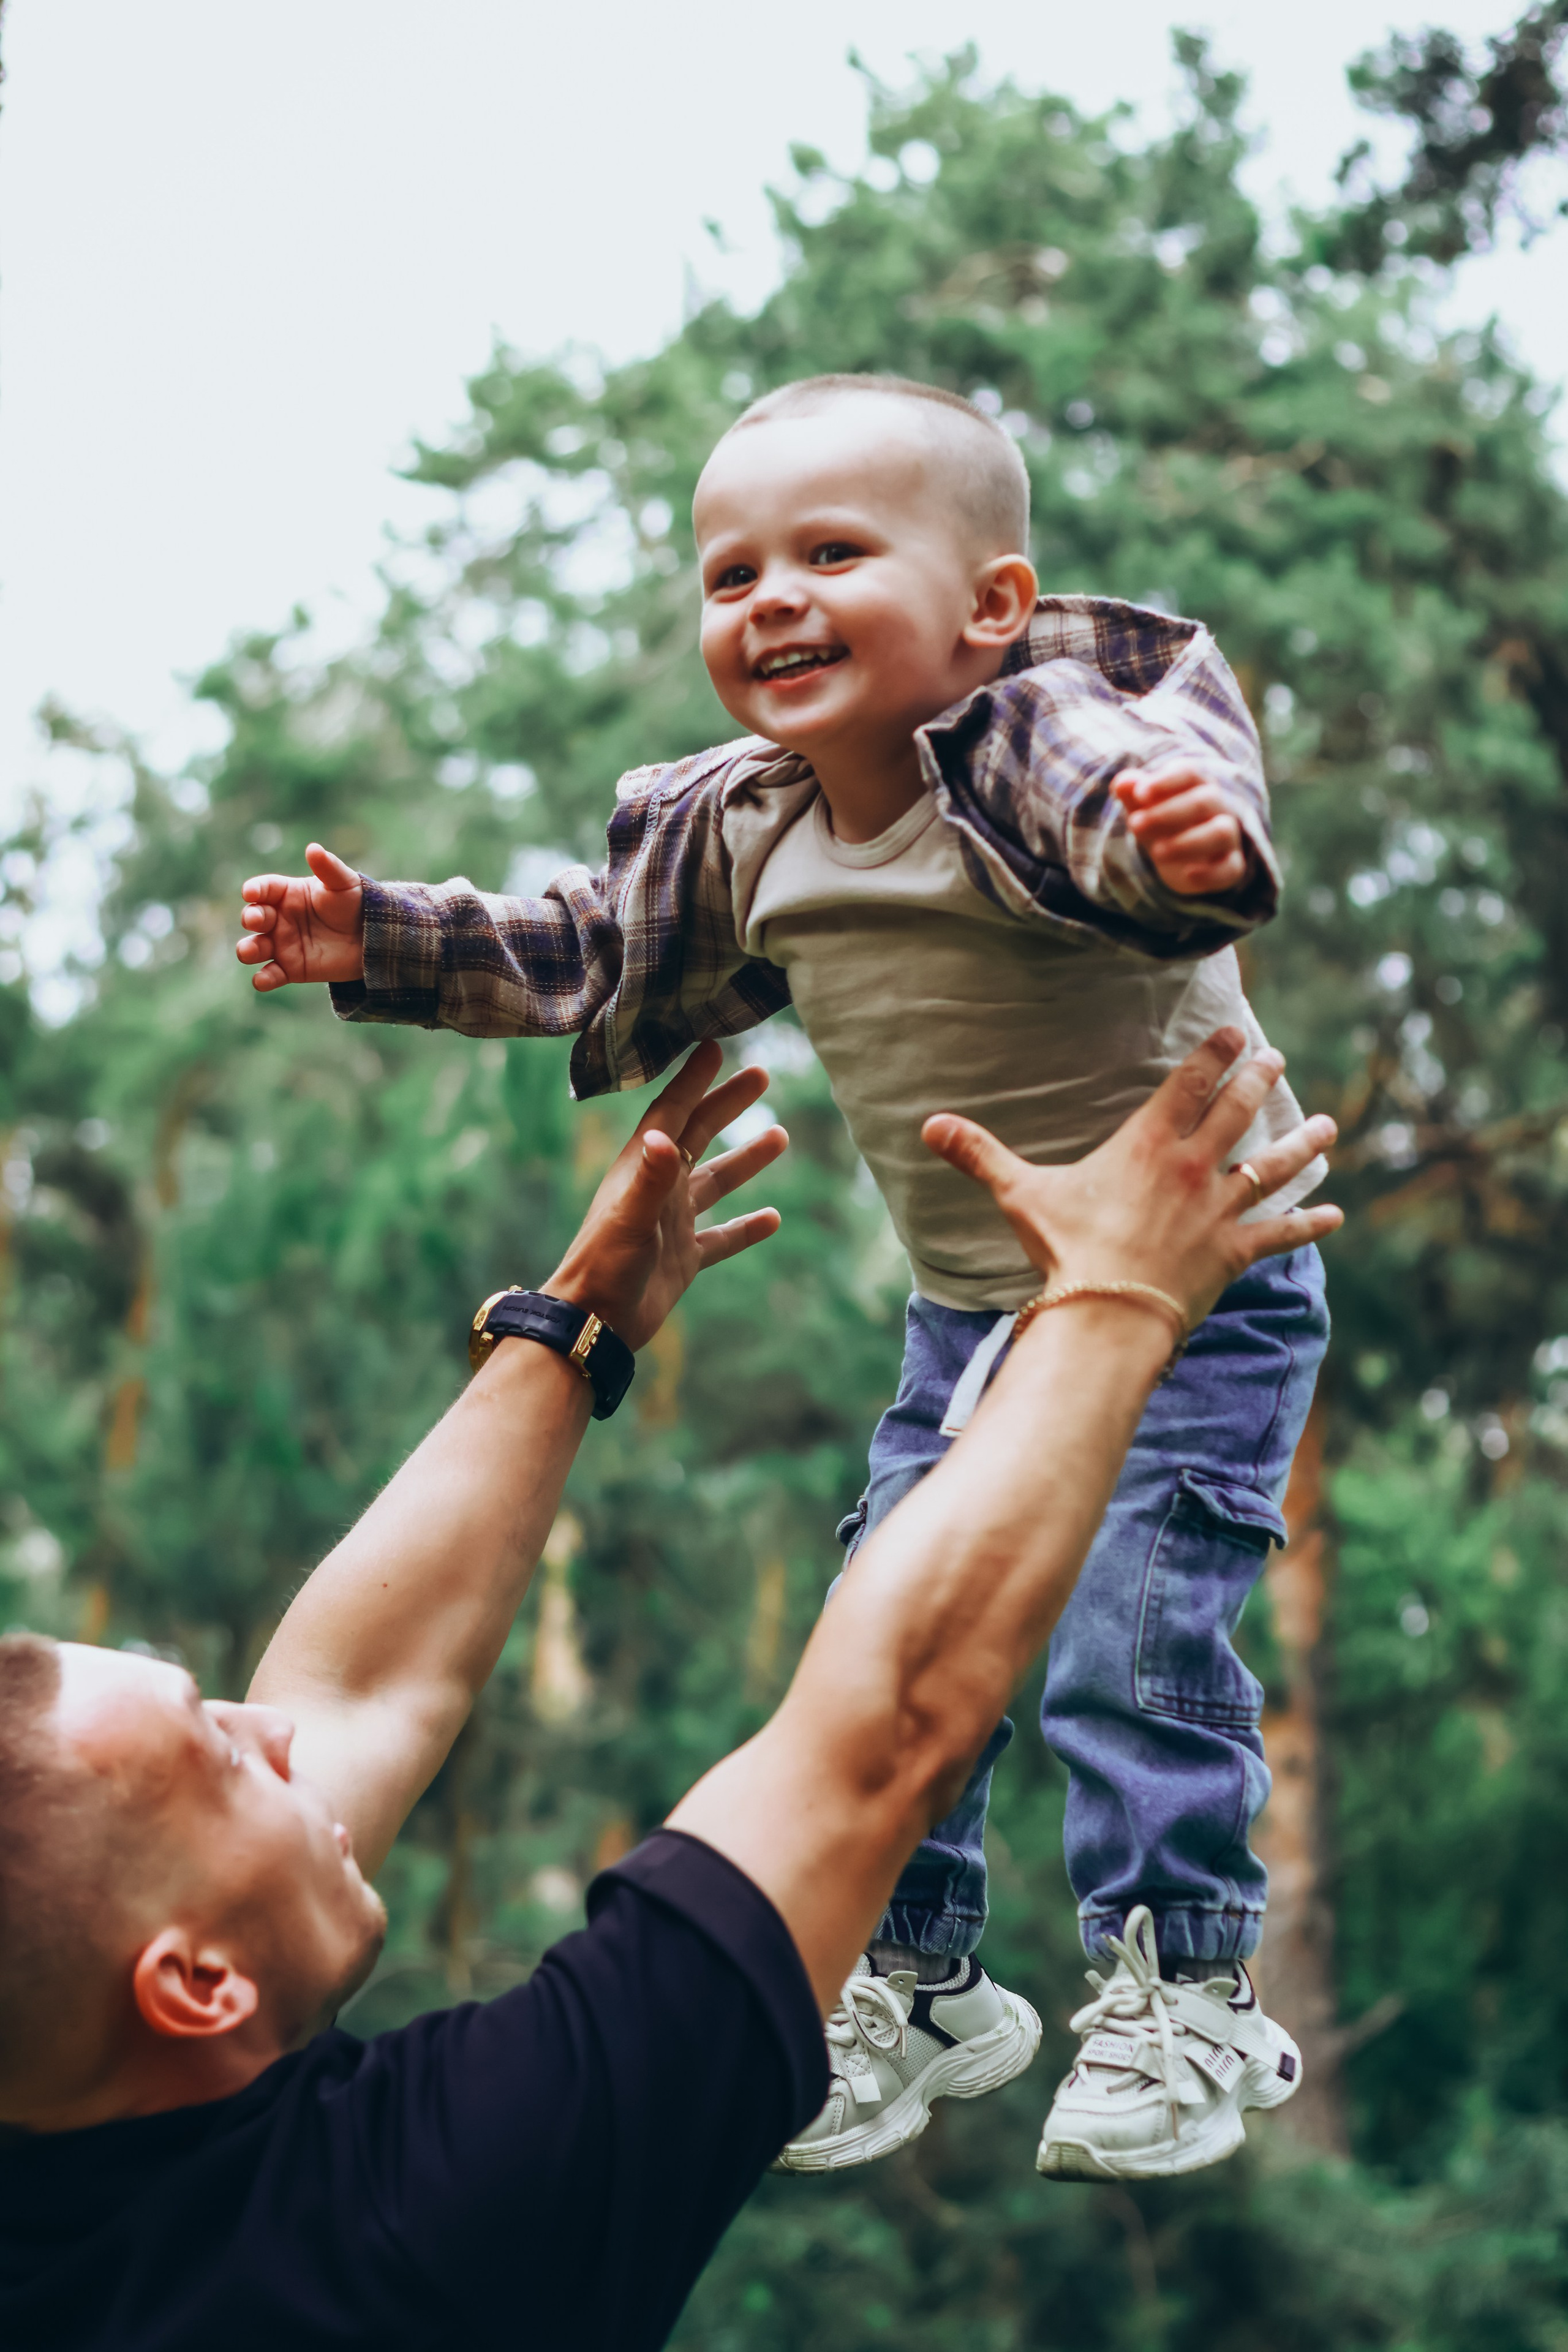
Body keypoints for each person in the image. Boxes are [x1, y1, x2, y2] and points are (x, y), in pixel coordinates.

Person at [235, 371, 1330, 2179]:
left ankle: (1189, 1989)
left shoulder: (1046, 740)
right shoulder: (745, 833)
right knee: (889, 1615)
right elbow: (590, 950)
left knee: (1127, 1632)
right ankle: (919, 1982)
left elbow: (1135, 828)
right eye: (732, 574)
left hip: (1201, 1278)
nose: (772, 602)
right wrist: (385, 938)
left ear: (989, 605)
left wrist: (1185, 841)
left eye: (832, 555)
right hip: (972, 1313)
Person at [0, 1033, 1339, 2350]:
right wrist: (1115, 1295)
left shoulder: (79, 2115)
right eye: (223, 1753)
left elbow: (357, 1689)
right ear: (195, 1985)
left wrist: (567, 1328)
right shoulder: (421, 2226)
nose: (272, 1726)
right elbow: (879, 1743)